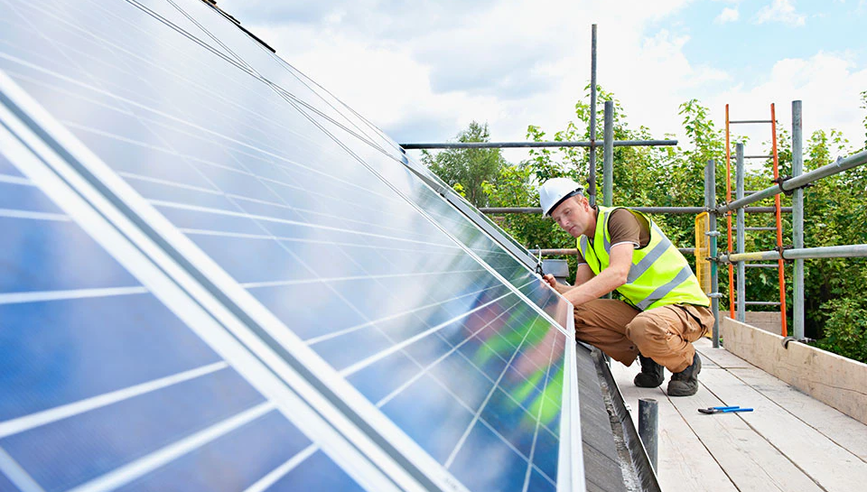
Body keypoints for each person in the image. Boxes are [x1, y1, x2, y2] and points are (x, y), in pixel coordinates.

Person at [538, 178, 714, 396]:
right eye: (557, 220)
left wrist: (564, 302)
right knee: (573, 315)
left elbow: (618, 274)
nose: (564, 223)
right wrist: (556, 289)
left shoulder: (618, 219)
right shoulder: (584, 243)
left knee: (645, 326)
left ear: (583, 203)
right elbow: (580, 290)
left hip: (685, 308)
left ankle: (686, 364)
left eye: (567, 212)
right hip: (645, 312)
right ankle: (649, 355)